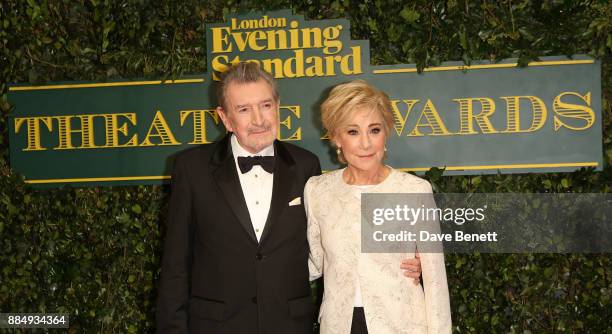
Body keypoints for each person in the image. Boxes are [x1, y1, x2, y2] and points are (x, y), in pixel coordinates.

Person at [156, 62, 422, 333]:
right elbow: (175, 267)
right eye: (244, 109)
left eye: (266, 105)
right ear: (225, 118)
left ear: (278, 106)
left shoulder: (306, 166)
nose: (259, 119)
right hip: (216, 326)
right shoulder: (192, 169)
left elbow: (336, 238)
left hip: (290, 325)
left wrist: (404, 256)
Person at [306, 80, 452, 334]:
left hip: (402, 325)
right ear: (336, 137)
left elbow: (436, 281)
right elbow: (314, 264)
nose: (365, 143)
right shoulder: (318, 191)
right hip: (339, 325)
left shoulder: (414, 190)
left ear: (386, 133)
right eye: (352, 132)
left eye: (374, 130)